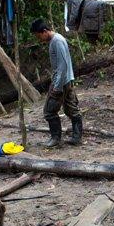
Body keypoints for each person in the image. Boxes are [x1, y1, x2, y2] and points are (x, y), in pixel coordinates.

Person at [31, 18, 83, 148]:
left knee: (49, 111)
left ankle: (55, 138)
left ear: (44, 31)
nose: (39, 39)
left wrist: (57, 86)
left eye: (39, 36)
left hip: (62, 81)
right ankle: (76, 137)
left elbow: (62, 65)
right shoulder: (57, 39)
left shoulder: (57, 41)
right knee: (71, 109)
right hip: (67, 80)